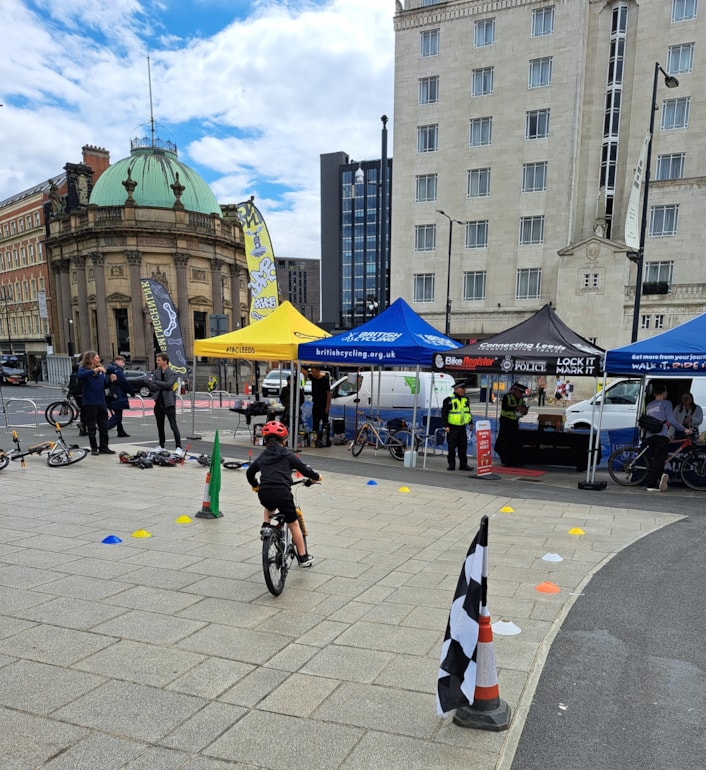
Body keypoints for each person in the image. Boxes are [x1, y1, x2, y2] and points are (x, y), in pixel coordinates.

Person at [246, 421, 320, 567]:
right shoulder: (288, 455)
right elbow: (303, 469)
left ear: (265, 440)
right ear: (284, 440)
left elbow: (250, 472)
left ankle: (266, 525)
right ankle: (303, 557)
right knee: (293, 523)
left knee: (269, 505)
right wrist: (316, 477)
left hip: (265, 492)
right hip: (282, 493)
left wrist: (255, 485)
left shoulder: (262, 456)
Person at [643, 383, 693, 492]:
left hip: (649, 435)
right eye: (666, 392)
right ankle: (651, 484)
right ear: (664, 393)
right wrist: (684, 429)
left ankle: (660, 478)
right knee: (659, 459)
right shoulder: (667, 403)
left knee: (657, 459)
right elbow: (671, 420)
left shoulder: (649, 405)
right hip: (661, 435)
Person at [76, 350, 115, 456]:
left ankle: (104, 446)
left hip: (101, 401)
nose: (99, 360)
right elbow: (80, 376)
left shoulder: (101, 370)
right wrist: (95, 370)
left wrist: (110, 380)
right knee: (92, 426)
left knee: (104, 426)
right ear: (91, 359)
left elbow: (104, 385)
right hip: (90, 402)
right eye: (97, 358)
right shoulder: (84, 369)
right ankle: (94, 447)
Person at [149, 352, 184, 456]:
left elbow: (169, 385)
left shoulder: (173, 373)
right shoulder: (156, 372)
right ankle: (161, 445)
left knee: (173, 425)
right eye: (157, 360)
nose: (157, 362)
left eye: (159, 360)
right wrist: (161, 384)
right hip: (158, 403)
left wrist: (158, 383)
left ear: (165, 361)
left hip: (168, 403)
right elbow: (152, 386)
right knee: (160, 425)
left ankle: (178, 447)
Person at [494, 382, 529, 467]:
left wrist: (524, 411)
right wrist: (516, 408)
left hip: (514, 422)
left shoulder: (521, 400)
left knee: (515, 442)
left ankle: (515, 460)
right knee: (505, 441)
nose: (521, 395)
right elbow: (505, 407)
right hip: (505, 422)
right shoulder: (507, 397)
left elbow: (523, 411)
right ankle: (506, 460)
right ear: (516, 391)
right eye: (520, 393)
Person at [442, 380, 473, 471]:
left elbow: (468, 411)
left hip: (462, 427)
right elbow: (444, 414)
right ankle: (451, 465)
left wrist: (471, 422)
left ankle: (463, 465)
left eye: (464, 388)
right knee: (452, 448)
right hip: (452, 428)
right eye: (462, 388)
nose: (464, 390)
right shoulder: (448, 400)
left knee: (463, 447)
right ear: (456, 389)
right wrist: (446, 426)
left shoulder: (466, 399)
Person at [106, 355, 136, 437]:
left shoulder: (109, 369)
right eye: (122, 362)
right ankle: (106, 426)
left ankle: (120, 430)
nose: (123, 364)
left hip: (111, 394)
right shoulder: (118, 370)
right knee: (118, 415)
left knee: (118, 413)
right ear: (117, 361)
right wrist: (131, 392)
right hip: (118, 394)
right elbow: (123, 383)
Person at [308, 365, 331, 447]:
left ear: (318, 371)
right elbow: (304, 372)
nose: (312, 373)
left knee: (325, 423)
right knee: (315, 423)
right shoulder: (313, 378)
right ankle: (315, 440)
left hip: (323, 404)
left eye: (314, 372)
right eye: (311, 372)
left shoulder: (324, 380)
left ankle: (326, 440)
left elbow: (328, 394)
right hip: (316, 404)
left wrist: (327, 406)